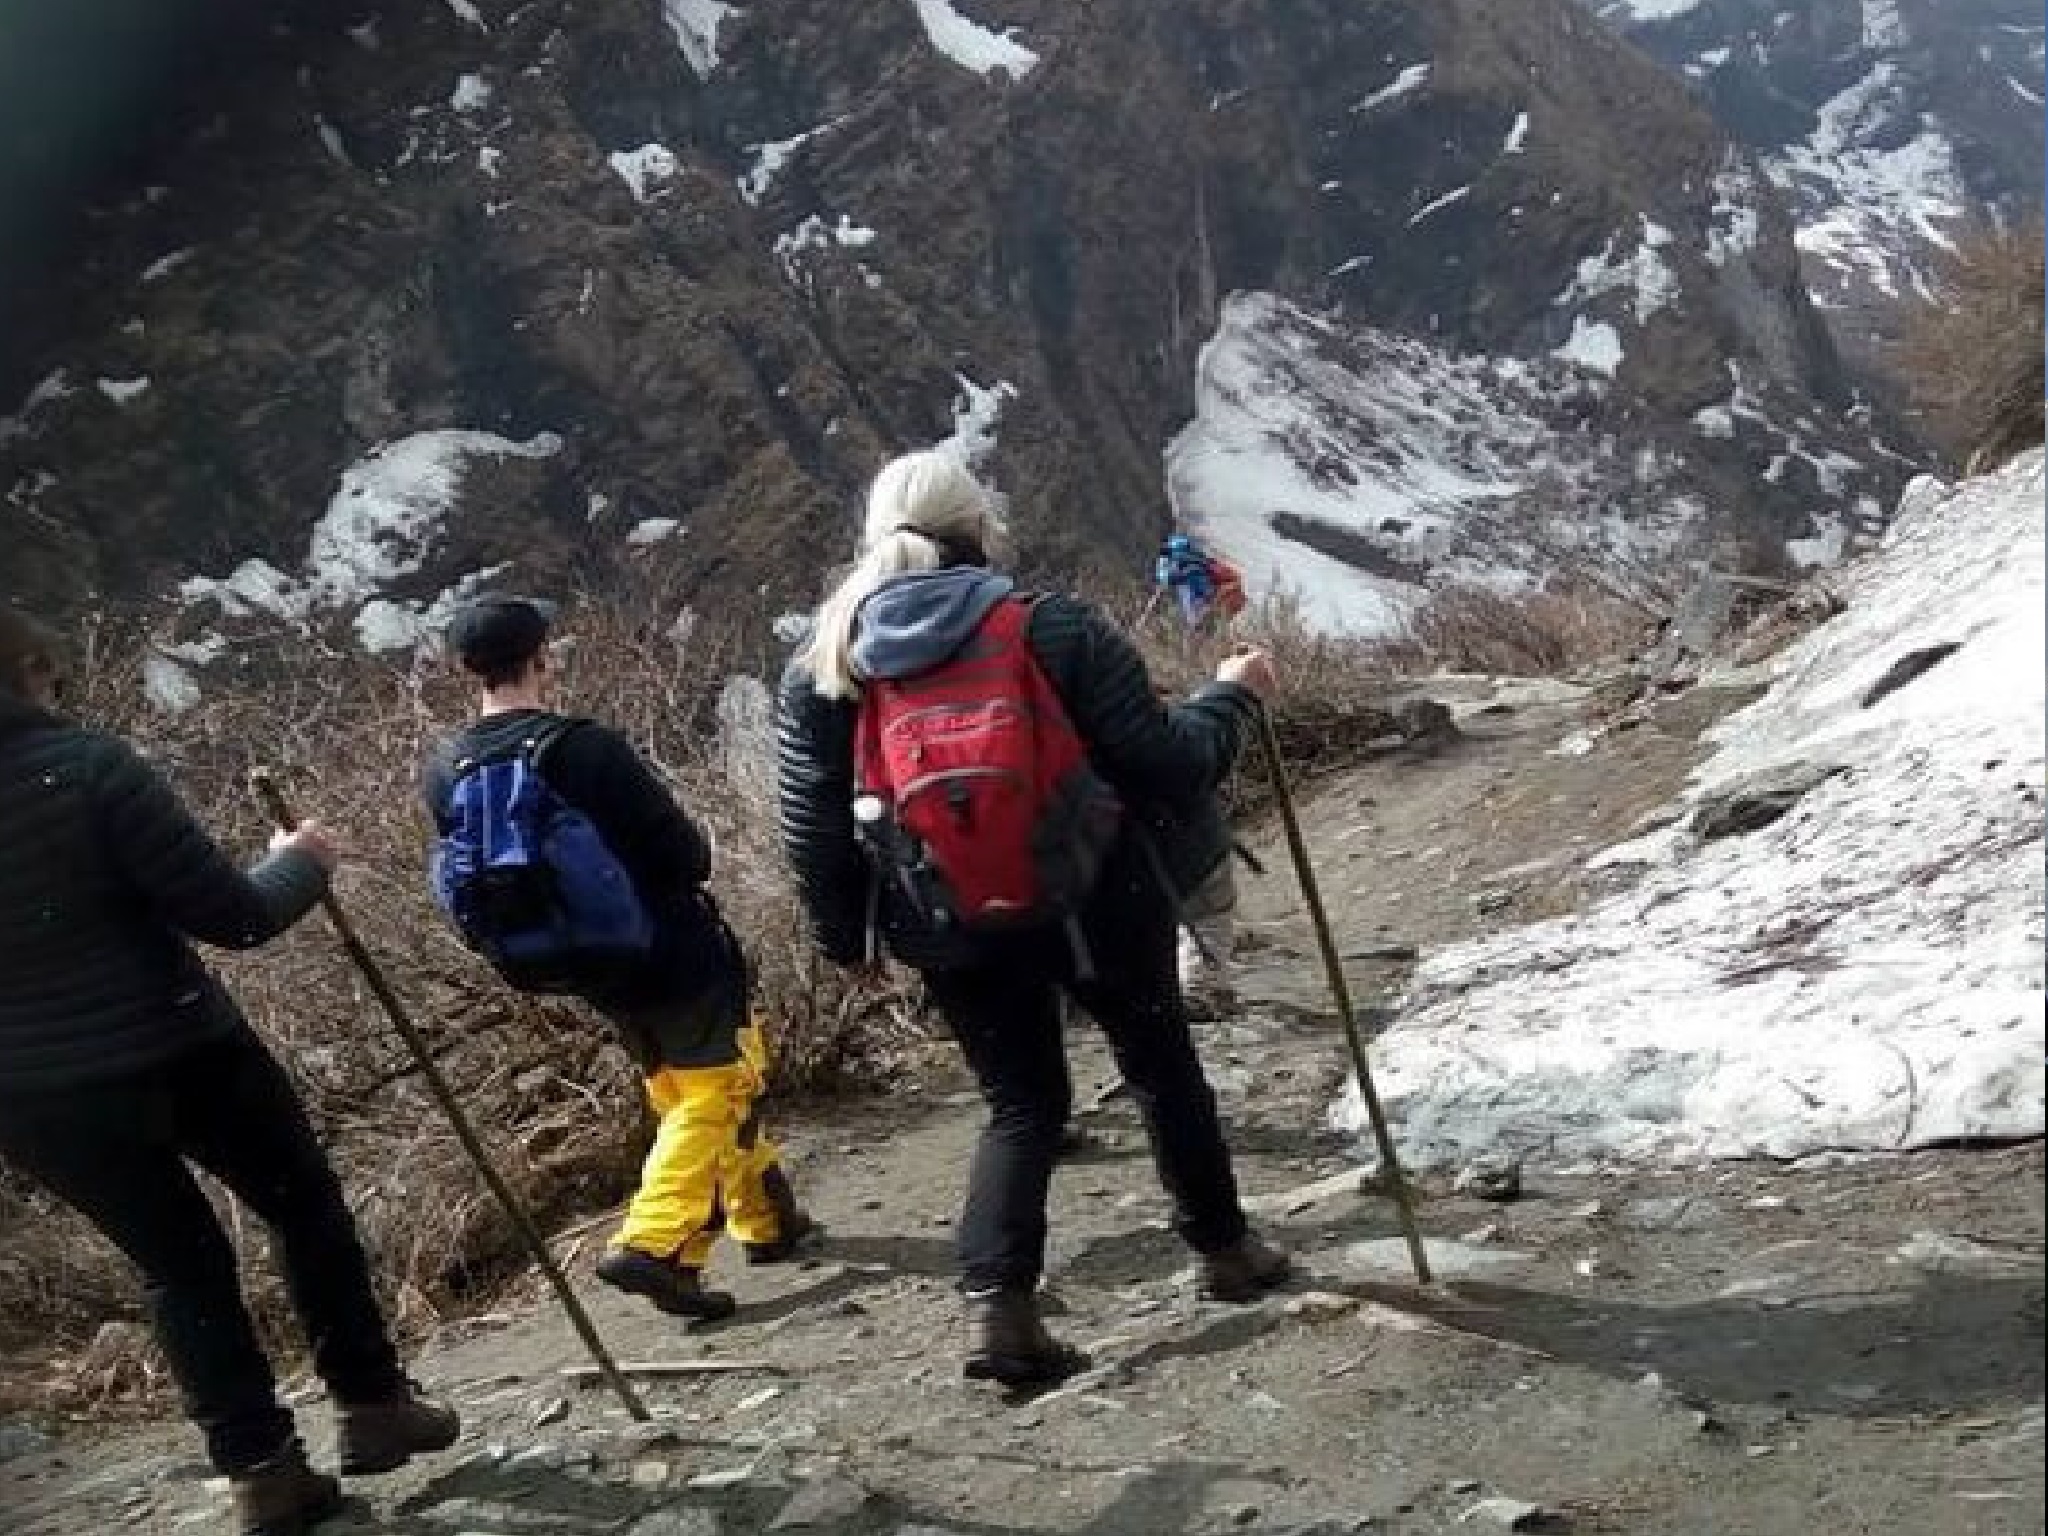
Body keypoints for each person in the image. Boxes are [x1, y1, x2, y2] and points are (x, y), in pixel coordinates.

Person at [777, 451, 1291, 1388]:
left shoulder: (826, 661)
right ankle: (1226, 1252)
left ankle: (999, 1310)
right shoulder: (1051, 626)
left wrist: (843, 936)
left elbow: (813, 821)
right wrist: (1231, 696)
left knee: (1021, 1103)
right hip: (1099, 895)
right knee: (1159, 1066)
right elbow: (1166, 766)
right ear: (980, 529)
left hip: (942, 914)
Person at [0, 607, 459, 1536]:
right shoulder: (86, 768)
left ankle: (260, 1470)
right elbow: (235, 915)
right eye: (47, 672)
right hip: (178, 1050)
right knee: (300, 1204)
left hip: (33, 1099)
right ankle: (371, 1405)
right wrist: (302, 862)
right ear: (26, 669)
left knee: (179, 1270)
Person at [422, 596, 815, 1325]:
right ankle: (654, 1244)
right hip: (672, 948)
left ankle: (765, 1219)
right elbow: (682, 856)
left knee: (684, 1085)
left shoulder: (445, 768)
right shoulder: (580, 747)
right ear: (542, 657)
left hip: (580, 964)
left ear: (467, 671)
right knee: (717, 1087)